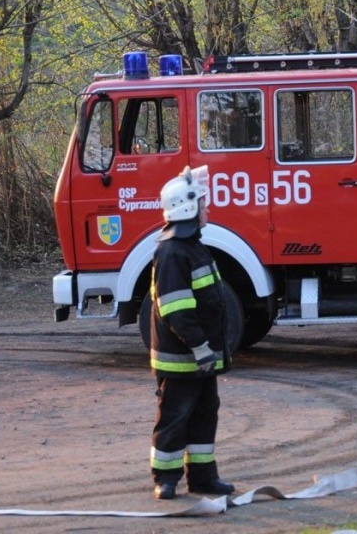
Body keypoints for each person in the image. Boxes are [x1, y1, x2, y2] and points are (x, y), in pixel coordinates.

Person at [148, 165, 235, 500]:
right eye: (202, 203)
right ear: (187, 208)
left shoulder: (194, 246)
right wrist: (200, 346)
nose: (207, 208)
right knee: (174, 417)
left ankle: (202, 478)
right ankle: (165, 479)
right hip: (182, 359)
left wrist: (209, 351)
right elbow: (176, 310)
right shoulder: (172, 252)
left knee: (203, 417)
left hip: (201, 358)